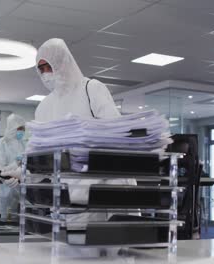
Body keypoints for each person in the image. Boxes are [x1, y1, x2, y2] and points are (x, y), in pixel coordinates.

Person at [34, 38, 133, 222]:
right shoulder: (44, 106)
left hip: (102, 190)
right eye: (41, 69)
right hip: (67, 196)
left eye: (49, 66)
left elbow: (116, 136)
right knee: (70, 245)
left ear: (62, 62)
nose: (46, 73)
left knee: (113, 247)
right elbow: (39, 152)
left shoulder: (91, 89)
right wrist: (23, 170)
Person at [0, 114, 27, 219]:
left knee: (20, 219)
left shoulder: (22, 143)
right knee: (7, 220)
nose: (21, 132)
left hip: (21, 186)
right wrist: (16, 163)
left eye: (23, 129)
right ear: (12, 128)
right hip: (7, 186)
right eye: (19, 129)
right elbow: (1, 170)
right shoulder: (2, 143)